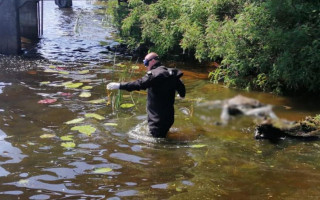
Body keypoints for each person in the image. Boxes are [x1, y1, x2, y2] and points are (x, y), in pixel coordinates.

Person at [107, 52, 186, 138]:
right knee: (164, 136)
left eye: (145, 63)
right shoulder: (171, 73)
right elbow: (181, 87)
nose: (145, 66)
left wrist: (119, 86)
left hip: (156, 121)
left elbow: (138, 84)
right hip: (169, 118)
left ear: (152, 61)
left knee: (154, 147)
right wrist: (182, 95)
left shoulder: (154, 75)